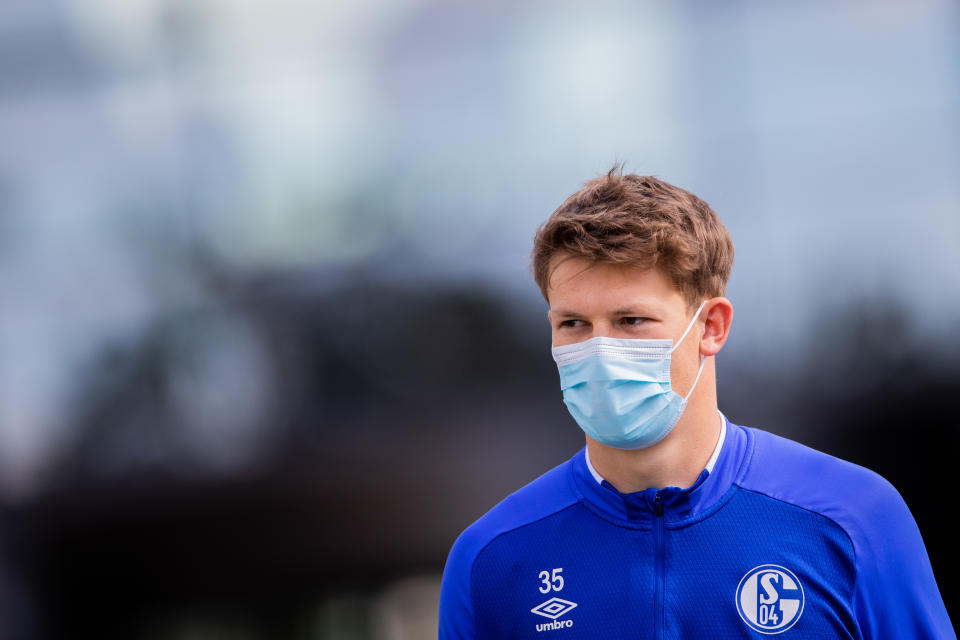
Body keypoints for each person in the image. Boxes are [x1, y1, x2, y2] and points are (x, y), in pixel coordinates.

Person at [437, 169, 954, 638]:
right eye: (573, 324)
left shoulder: (852, 516)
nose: (598, 350)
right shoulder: (491, 558)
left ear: (711, 327)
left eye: (630, 321)